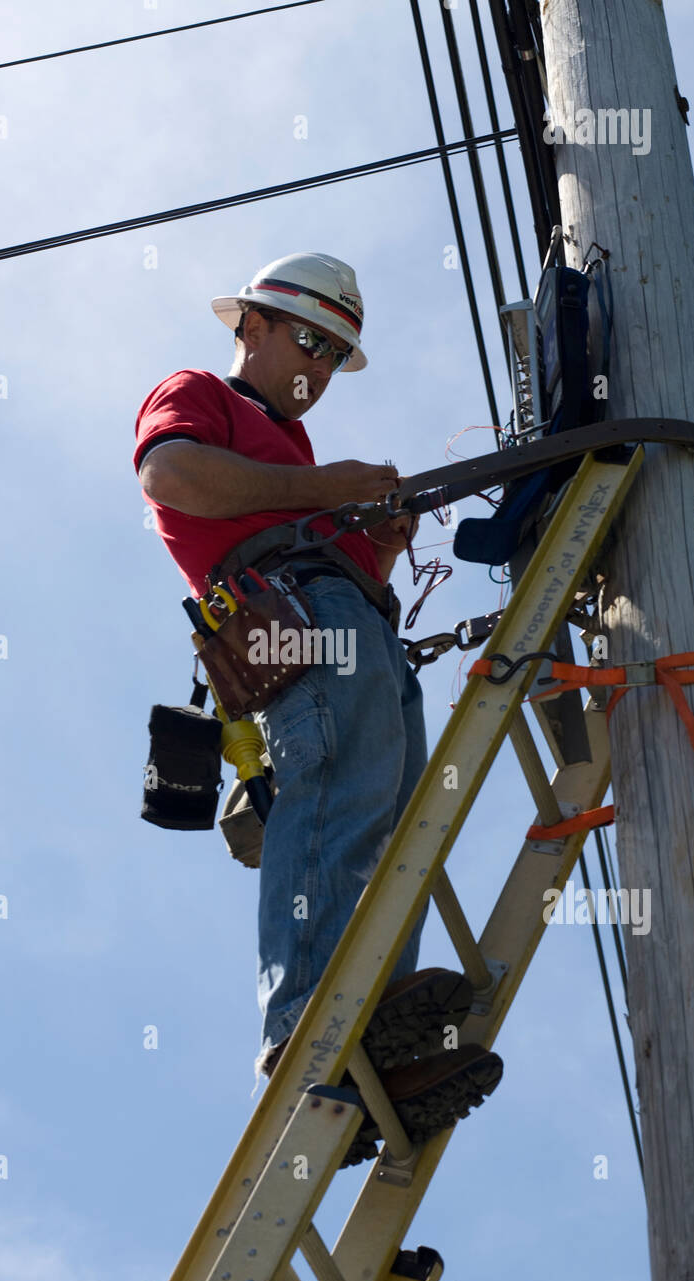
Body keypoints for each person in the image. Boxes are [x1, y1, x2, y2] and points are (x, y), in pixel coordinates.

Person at [133, 252, 501, 1162]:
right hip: (290, 613)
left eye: (336, 355)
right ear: (249, 330)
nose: (319, 369)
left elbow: (310, 534)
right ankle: (306, 1023)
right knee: (338, 784)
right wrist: (327, 489)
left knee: (394, 814)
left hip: (345, 616)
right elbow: (171, 478)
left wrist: (370, 539)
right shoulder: (202, 397)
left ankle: (375, 1024)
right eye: (308, 340)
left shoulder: (290, 453)